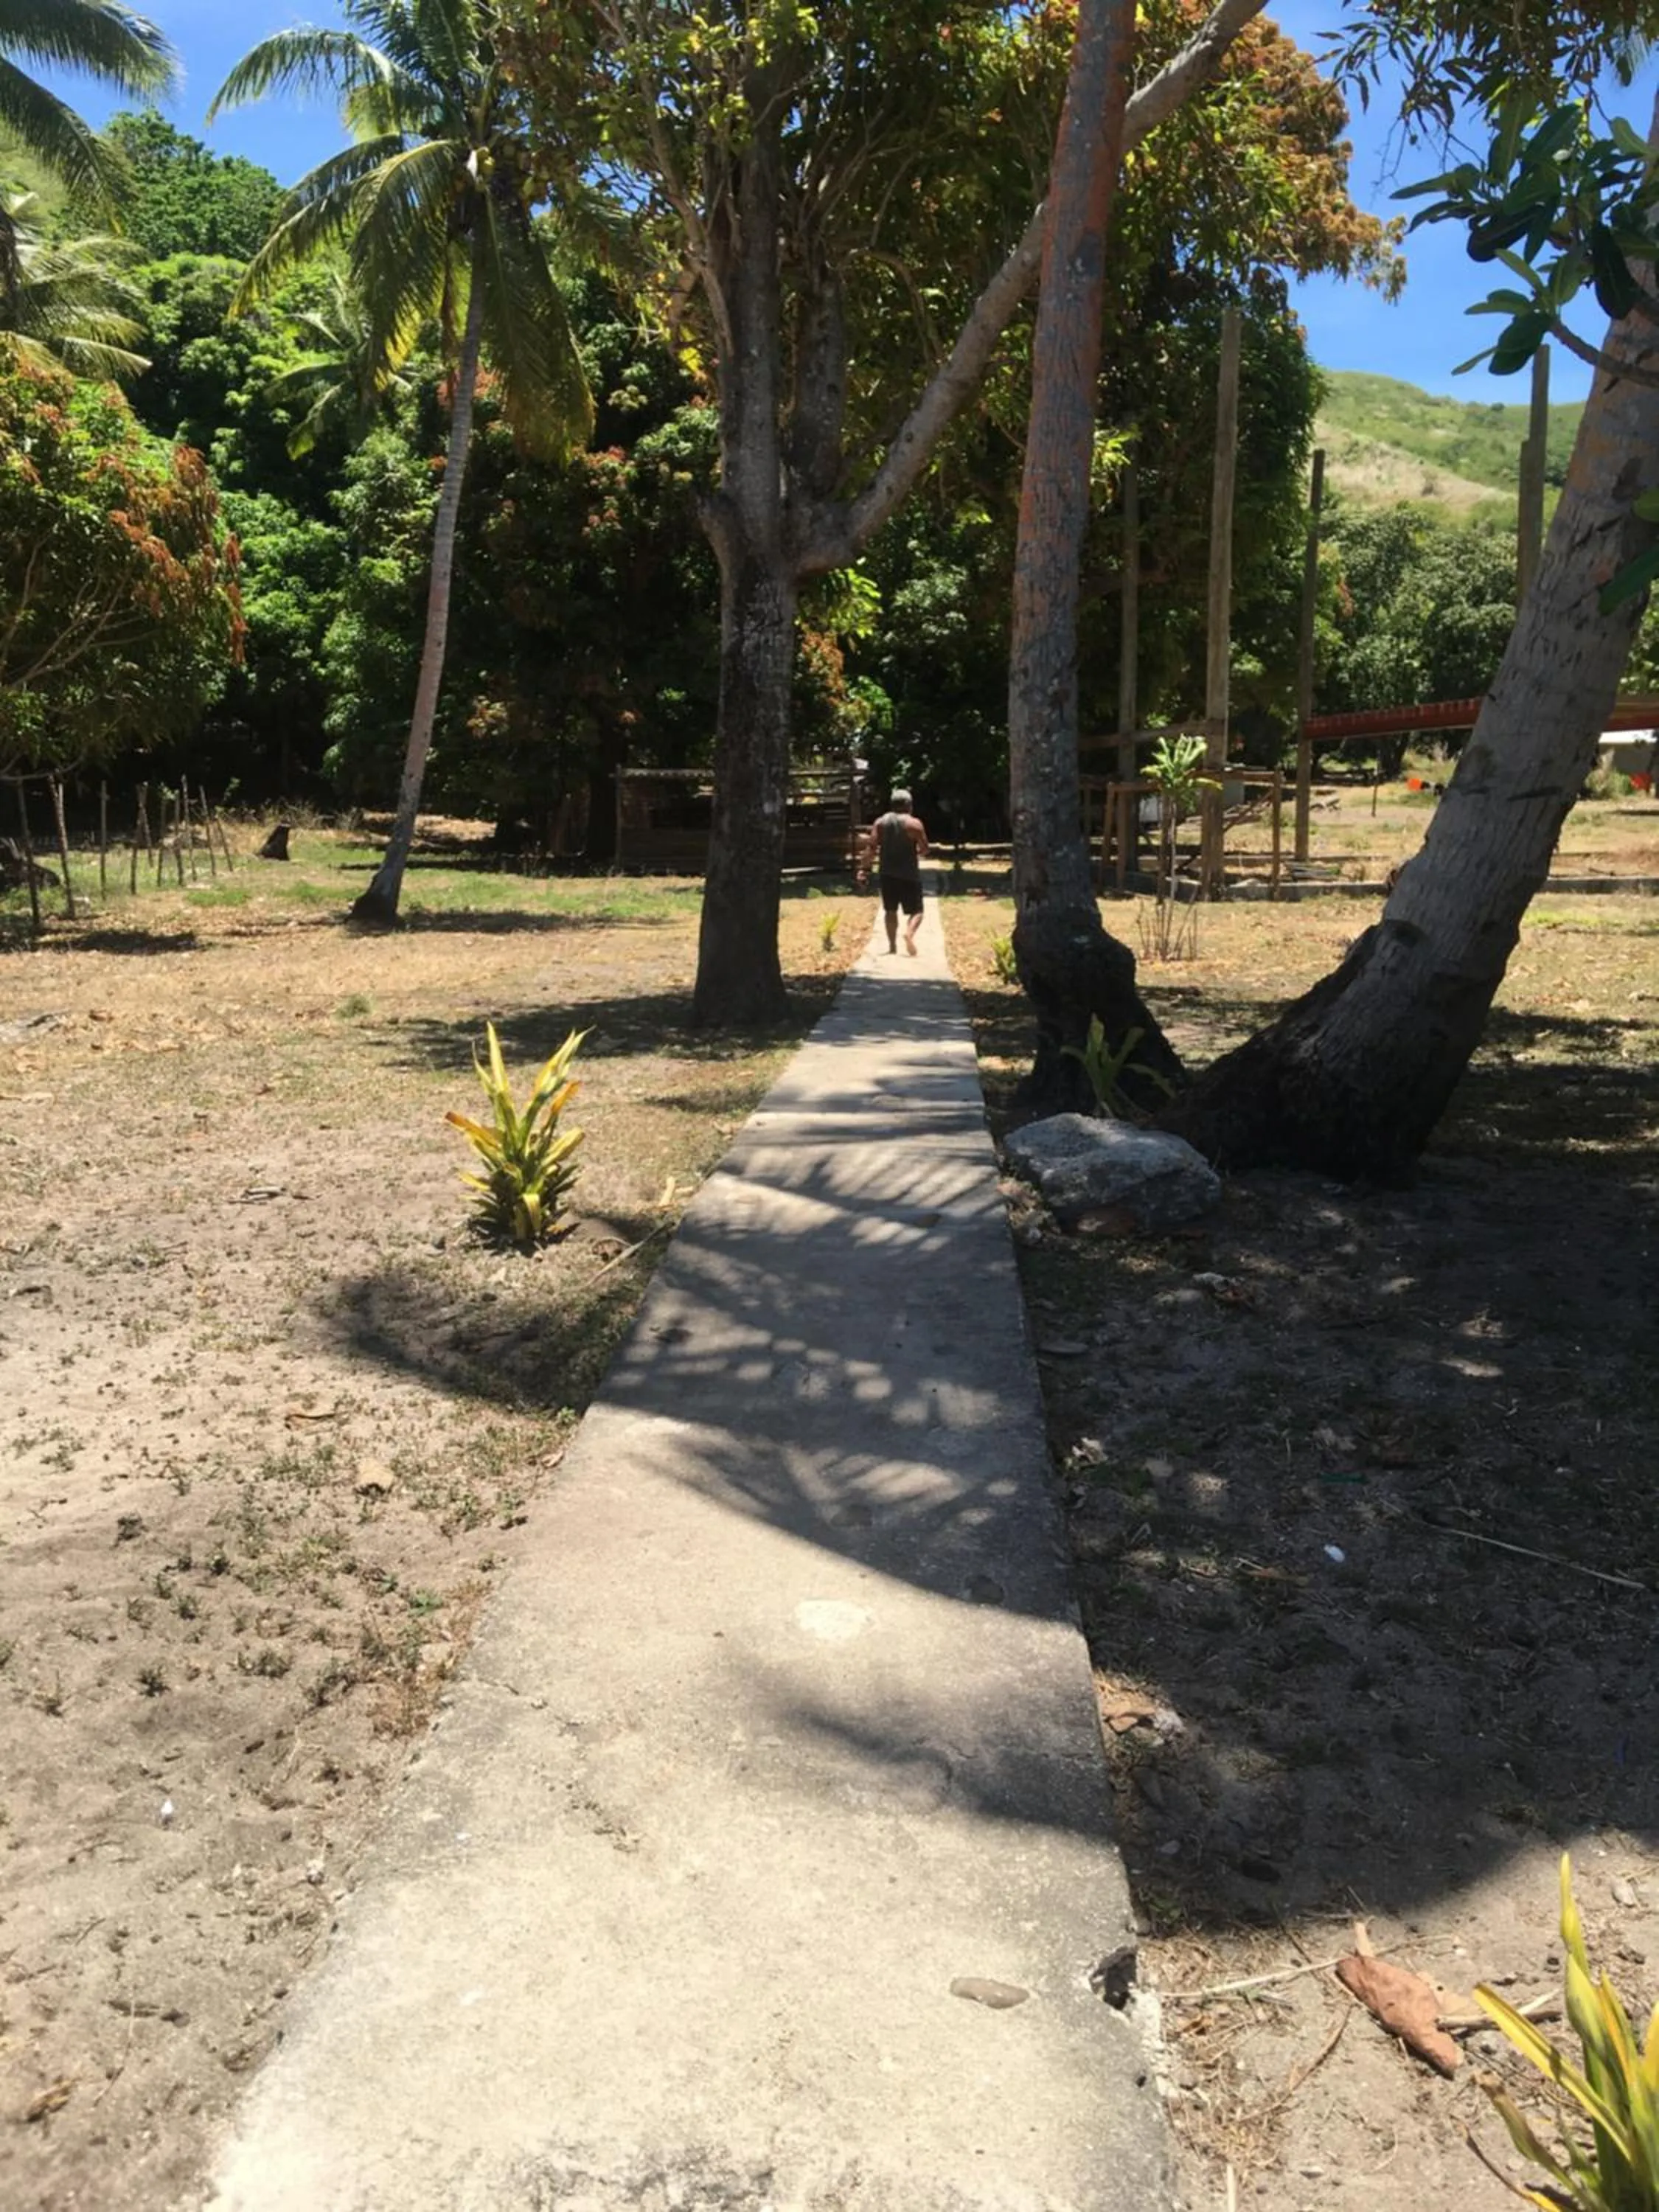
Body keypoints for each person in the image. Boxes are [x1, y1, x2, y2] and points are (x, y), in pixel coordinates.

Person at [858, 787, 928, 954]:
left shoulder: (880, 823)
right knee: (917, 911)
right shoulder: (914, 824)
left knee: (890, 910)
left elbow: (871, 848)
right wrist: (918, 852)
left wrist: (864, 869)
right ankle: (909, 934)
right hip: (909, 874)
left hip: (887, 873)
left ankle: (892, 947)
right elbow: (925, 849)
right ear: (909, 805)